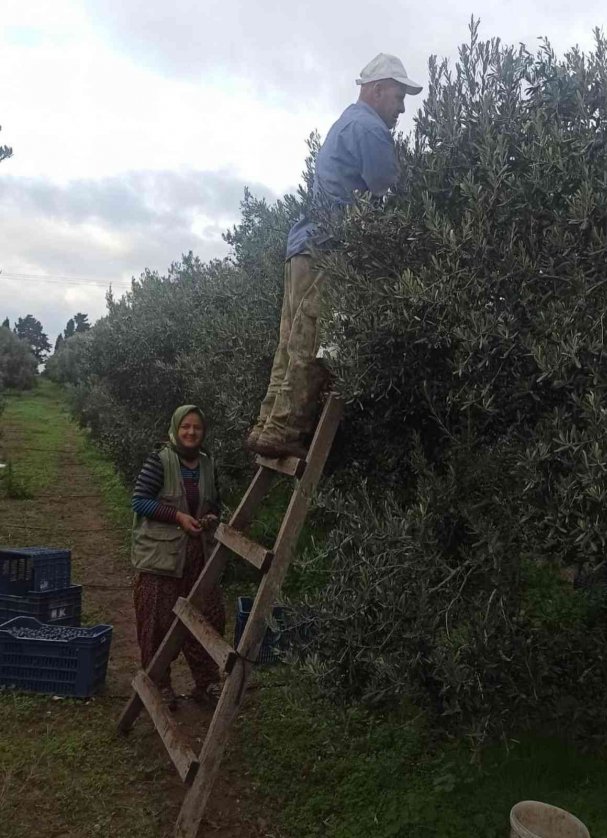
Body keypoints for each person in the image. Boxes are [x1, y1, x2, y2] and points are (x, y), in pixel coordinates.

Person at [247, 53, 423, 460]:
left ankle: (267, 425)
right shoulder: (370, 129)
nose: (401, 108)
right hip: (329, 247)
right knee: (309, 341)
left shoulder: (344, 122)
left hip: (303, 245)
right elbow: (388, 191)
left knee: (289, 340)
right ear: (377, 90)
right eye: (398, 97)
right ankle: (284, 430)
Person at [130, 404, 225, 709]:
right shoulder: (159, 461)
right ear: (175, 428)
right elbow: (140, 502)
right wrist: (178, 516)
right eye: (185, 426)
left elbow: (215, 505)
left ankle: (206, 684)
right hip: (161, 558)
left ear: (203, 432)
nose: (191, 432)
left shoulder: (208, 465)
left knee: (208, 619)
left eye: (197, 427)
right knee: (156, 624)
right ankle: (160, 686)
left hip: (197, 557)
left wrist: (209, 517)